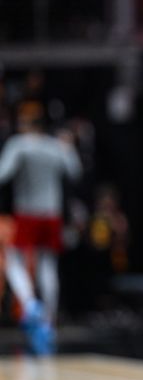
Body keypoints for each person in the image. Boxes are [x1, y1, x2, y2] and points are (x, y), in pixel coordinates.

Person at [0, 102, 82, 354]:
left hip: (28, 212)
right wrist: (67, 146)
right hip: (52, 213)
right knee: (48, 265)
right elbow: (75, 171)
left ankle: (29, 302)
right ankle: (48, 322)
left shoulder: (20, 144)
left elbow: (3, 173)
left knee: (13, 259)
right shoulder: (56, 146)